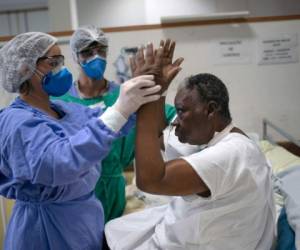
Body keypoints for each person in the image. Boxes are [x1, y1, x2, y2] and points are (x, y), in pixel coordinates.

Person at [0, 32, 162, 250]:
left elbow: (109, 125)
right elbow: (60, 163)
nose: (62, 69)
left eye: (61, 61)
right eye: (53, 62)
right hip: (46, 228)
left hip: (82, 220)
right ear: (24, 69)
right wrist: (120, 108)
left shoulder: (64, 109)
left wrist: (147, 90)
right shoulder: (17, 122)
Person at [105, 43, 276, 249]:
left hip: (205, 243)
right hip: (189, 232)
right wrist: (158, 92)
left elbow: (150, 180)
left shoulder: (232, 153)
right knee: (113, 231)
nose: (174, 120)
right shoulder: (220, 137)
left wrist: (141, 107)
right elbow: (160, 135)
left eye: (181, 111)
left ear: (210, 110)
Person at [54, 25, 181, 222]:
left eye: (101, 50)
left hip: (114, 190)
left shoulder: (125, 95)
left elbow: (167, 118)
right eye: (87, 52)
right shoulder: (60, 102)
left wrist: (159, 89)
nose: (96, 57)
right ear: (75, 56)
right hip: (73, 195)